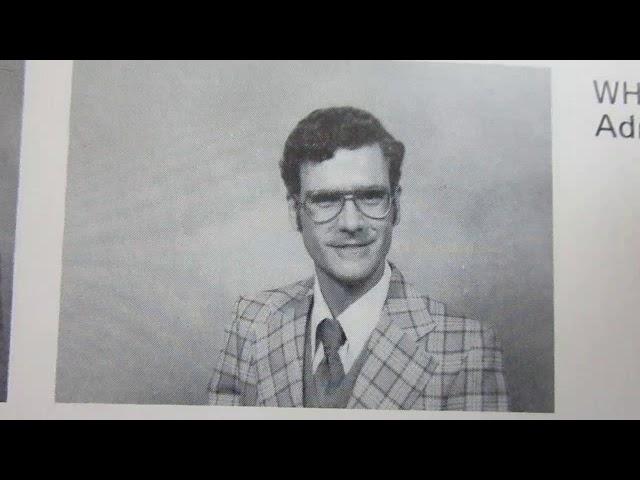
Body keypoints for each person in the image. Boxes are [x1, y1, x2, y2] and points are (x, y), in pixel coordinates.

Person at [209, 106, 509, 410]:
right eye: (326, 200)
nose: (351, 223)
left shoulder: (467, 349)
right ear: (294, 213)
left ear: (396, 206)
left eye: (370, 196)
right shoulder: (250, 322)